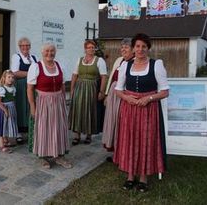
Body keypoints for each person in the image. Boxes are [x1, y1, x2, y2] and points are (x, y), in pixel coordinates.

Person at [114, 33, 169, 192]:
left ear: (148, 48)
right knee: (129, 140)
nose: (140, 49)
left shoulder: (156, 64)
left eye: (144, 46)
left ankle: (143, 178)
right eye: (137, 46)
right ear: (133, 48)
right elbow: (118, 89)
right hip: (129, 109)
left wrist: (149, 98)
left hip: (148, 109)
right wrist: (127, 98)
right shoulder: (125, 65)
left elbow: (165, 91)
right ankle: (130, 176)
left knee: (146, 141)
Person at [27, 43, 72, 169]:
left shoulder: (59, 65)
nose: (50, 53)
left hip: (58, 101)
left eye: (52, 51)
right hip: (43, 102)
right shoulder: (36, 67)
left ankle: (59, 156)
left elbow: (62, 85)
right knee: (44, 128)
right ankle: (43, 157)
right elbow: (29, 89)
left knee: (58, 128)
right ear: (42, 52)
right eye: (47, 51)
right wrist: (32, 106)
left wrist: (63, 101)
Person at [69, 40, 107, 145]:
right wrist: (72, 89)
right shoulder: (79, 60)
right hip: (79, 88)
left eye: (93, 47)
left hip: (92, 88)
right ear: (85, 49)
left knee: (90, 110)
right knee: (78, 110)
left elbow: (104, 77)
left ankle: (88, 135)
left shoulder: (99, 61)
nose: (91, 49)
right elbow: (74, 75)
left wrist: (102, 91)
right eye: (89, 47)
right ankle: (77, 135)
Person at [102, 38, 134, 161]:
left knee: (122, 124)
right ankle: (116, 152)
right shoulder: (119, 60)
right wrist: (106, 94)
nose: (123, 49)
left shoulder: (135, 62)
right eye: (122, 47)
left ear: (133, 49)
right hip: (113, 94)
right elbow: (111, 78)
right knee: (113, 123)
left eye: (126, 47)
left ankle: (123, 153)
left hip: (125, 95)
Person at [11, 37, 37, 146]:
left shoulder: (34, 57)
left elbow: (38, 69)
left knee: (31, 107)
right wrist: (30, 73)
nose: (25, 47)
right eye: (22, 45)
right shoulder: (16, 57)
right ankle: (18, 134)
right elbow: (15, 72)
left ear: (30, 46)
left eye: (27, 45)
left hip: (33, 86)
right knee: (21, 107)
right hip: (21, 86)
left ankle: (31, 130)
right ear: (19, 47)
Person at [0, 70, 19, 153]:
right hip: (3, 109)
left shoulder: (13, 88)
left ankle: (6, 140)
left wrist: (13, 109)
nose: (11, 79)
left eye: (12, 77)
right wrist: (5, 110)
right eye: (9, 77)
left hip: (11, 108)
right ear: (4, 78)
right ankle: (2, 145)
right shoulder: (1, 89)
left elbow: (13, 100)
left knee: (7, 126)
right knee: (2, 126)